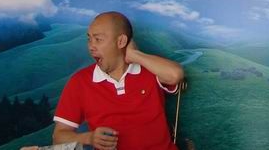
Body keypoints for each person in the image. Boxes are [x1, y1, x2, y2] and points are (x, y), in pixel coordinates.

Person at [53, 11, 184, 150]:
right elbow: (58, 137)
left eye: (98, 39)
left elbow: (175, 75)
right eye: (89, 39)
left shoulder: (151, 68)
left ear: (121, 41)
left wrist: (135, 55)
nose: (91, 46)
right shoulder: (79, 82)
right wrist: (88, 138)